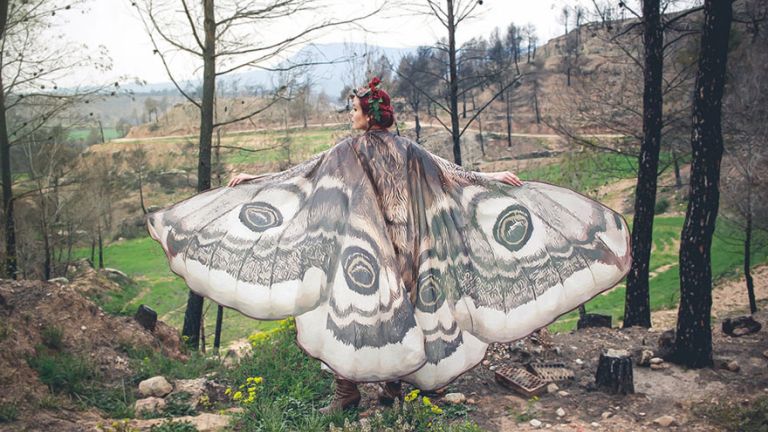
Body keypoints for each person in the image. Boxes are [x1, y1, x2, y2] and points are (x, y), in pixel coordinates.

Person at [147, 77, 631, 414]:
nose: (349, 114)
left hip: (402, 245)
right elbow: (305, 174)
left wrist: (492, 179)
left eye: (353, 109)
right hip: (379, 244)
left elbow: (448, 174)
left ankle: (384, 385)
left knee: (385, 311)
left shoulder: (386, 149)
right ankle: (354, 389)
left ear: (368, 115)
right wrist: (259, 178)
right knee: (361, 309)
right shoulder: (368, 149)